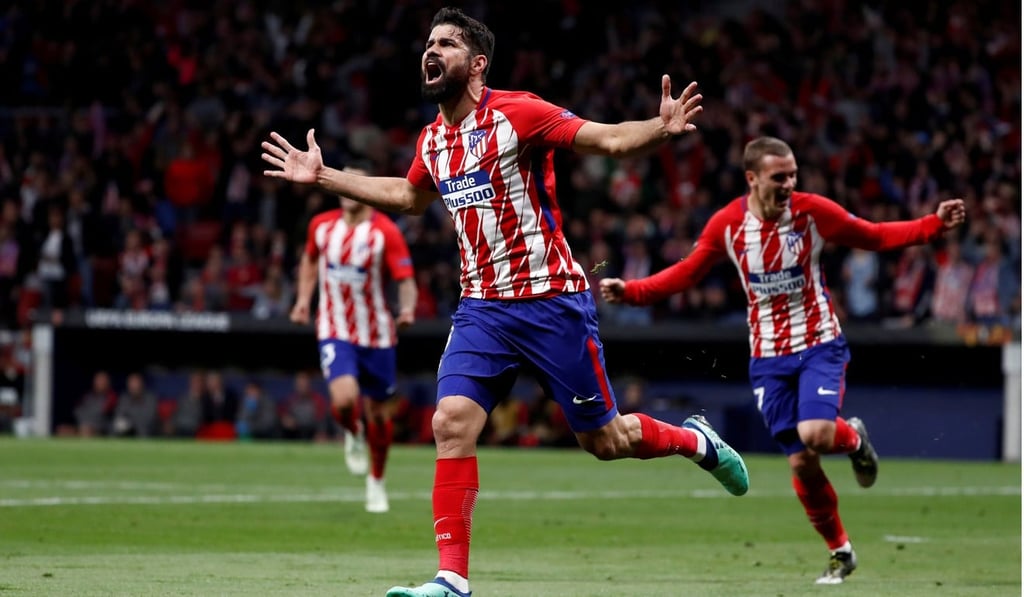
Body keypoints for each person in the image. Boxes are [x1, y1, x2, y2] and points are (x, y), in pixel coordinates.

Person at [262, 7, 749, 596]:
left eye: (446, 43)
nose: (431, 50)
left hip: (552, 304)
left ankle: (697, 441)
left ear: (477, 63)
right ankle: (451, 579)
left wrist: (658, 127)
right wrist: (325, 177)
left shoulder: (519, 113)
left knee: (605, 441)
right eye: (428, 43)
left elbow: (608, 139)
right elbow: (409, 196)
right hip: (482, 311)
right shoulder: (433, 139)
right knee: (451, 423)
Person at [600, 136, 967, 584]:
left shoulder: (813, 212)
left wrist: (933, 225)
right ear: (752, 178)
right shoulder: (728, 225)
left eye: (793, 174)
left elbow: (872, 235)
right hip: (768, 358)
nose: (790, 183)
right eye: (780, 176)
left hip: (819, 344)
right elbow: (687, 272)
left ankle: (851, 439)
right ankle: (841, 551)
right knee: (800, 462)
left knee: (814, 433)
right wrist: (632, 292)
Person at [289, 164, 417, 514]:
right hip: (335, 328)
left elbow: (405, 278)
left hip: (376, 334)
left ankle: (376, 480)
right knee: (344, 400)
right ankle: (351, 430)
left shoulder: (385, 232)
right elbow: (309, 262)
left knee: (379, 413)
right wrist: (303, 300)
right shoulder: (321, 226)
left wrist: (407, 309)